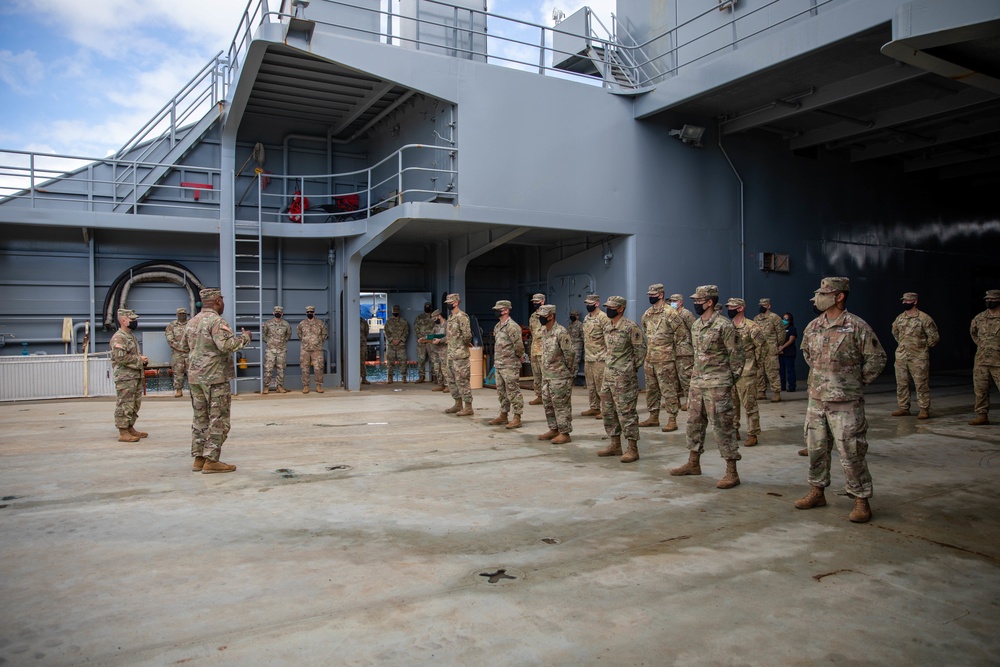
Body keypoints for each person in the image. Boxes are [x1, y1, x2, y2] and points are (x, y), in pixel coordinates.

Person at [795, 277, 886, 523]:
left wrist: (855, 382)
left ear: (839, 296)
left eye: (824, 293)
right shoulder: (813, 326)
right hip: (816, 400)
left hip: (846, 402)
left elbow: (877, 359)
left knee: (851, 451)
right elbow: (806, 353)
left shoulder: (857, 326)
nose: (818, 298)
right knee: (816, 448)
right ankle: (817, 491)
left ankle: (861, 500)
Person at [670, 285, 745, 489]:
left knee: (722, 427)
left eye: (699, 301)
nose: (695, 304)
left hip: (717, 385)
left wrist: (727, 381)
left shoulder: (724, 325)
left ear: (709, 302)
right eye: (694, 300)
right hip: (697, 383)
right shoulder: (696, 325)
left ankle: (732, 471)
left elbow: (737, 356)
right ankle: (693, 463)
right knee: (693, 423)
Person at [184, 288, 251, 474]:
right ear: (218, 301)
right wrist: (245, 338)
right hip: (215, 378)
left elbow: (183, 346)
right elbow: (226, 345)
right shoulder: (216, 321)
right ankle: (212, 460)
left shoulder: (192, 322)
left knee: (200, 418)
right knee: (219, 419)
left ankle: (199, 458)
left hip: (195, 378)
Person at [597, 296, 647, 463]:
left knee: (626, 413)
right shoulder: (607, 327)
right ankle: (615, 444)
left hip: (624, 379)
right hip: (608, 376)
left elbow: (640, 351)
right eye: (607, 306)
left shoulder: (630, 327)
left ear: (620, 308)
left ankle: (632, 448)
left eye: (612, 306)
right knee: (608, 411)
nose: (608, 309)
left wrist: (629, 369)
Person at [640, 283, 685, 432]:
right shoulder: (647, 313)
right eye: (649, 295)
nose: (650, 297)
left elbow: (681, 334)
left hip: (665, 359)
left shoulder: (671, 313)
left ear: (661, 295)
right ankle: (653, 417)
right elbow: (646, 331)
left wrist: (670, 351)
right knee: (652, 390)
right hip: (650, 358)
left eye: (653, 295)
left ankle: (672, 419)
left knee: (668, 389)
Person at [891, 292, 940, 419]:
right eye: (904, 301)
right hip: (902, 356)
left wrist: (921, 348)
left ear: (915, 302)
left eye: (907, 301)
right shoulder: (900, 318)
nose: (904, 303)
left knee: (921, 383)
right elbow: (895, 333)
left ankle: (923, 409)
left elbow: (934, 337)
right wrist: (903, 345)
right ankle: (903, 407)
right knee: (901, 383)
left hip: (919, 357)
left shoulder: (924, 318)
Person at [727, 297, 766, 447]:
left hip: (747, 371)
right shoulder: (728, 326)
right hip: (731, 371)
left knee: (749, 404)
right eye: (728, 307)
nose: (729, 309)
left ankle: (752, 433)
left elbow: (762, 347)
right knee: (732, 404)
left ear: (741, 308)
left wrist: (755, 365)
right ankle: (734, 429)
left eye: (732, 307)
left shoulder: (752, 327)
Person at [537, 304, 576, 444]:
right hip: (547, 375)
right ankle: (553, 429)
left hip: (559, 376)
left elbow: (570, 354)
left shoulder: (561, 332)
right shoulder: (544, 331)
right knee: (548, 404)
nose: (540, 319)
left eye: (542, 316)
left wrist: (567, 371)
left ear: (551, 316)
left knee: (561, 405)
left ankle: (565, 433)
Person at [110, 308, 148, 443]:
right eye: (132, 320)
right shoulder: (119, 337)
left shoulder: (130, 336)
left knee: (134, 403)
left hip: (134, 376)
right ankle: (123, 431)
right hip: (125, 377)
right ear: (124, 321)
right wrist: (139, 360)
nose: (135, 322)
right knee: (124, 403)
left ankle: (130, 427)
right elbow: (121, 358)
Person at [489, 300, 525, 428]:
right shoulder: (498, 326)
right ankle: (503, 414)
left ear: (505, 310)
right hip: (499, 364)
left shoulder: (512, 326)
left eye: (498, 309)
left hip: (510, 364)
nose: (496, 311)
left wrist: (520, 357)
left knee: (513, 391)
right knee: (501, 391)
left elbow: (519, 345)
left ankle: (517, 417)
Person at [969, 289, 1000, 426]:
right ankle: (982, 415)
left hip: (998, 361)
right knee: (980, 389)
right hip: (981, 360)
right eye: (987, 299)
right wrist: (983, 345)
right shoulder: (979, 317)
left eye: (992, 299)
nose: (989, 301)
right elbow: (974, 334)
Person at [443, 293, 474, 416]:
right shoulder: (451, 317)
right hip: (451, 354)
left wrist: (466, 344)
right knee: (451, 380)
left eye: (450, 302)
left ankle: (468, 407)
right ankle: (457, 404)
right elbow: (451, 336)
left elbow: (467, 335)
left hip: (460, 355)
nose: (448, 305)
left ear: (456, 302)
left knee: (462, 381)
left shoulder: (462, 316)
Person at [581, 294, 609, 418]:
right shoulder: (587, 318)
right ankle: (594, 407)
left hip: (600, 357)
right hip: (589, 357)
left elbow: (608, 338)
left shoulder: (603, 318)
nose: (587, 305)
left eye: (589, 303)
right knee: (591, 385)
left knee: (601, 385)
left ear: (596, 303)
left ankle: (605, 409)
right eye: (586, 304)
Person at [754, 298, 785, 402]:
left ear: (769, 306)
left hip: (771, 348)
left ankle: (776, 393)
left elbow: (781, 333)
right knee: (759, 371)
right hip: (759, 349)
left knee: (772, 371)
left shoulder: (775, 318)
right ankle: (761, 392)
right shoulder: (756, 318)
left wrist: (778, 345)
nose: (761, 307)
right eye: (760, 305)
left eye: (764, 305)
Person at [669, 293, 695, 411]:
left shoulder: (686, 314)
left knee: (686, 377)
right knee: (674, 379)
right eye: (671, 301)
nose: (672, 303)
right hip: (673, 350)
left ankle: (690, 401)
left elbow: (693, 329)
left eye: (674, 301)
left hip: (685, 350)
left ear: (680, 302)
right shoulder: (670, 314)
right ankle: (675, 402)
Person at [261, 305, 291, 394]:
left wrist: (282, 342)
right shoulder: (268, 323)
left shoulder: (286, 324)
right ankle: (266, 386)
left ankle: (280, 386)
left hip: (281, 350)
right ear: (273, 313)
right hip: (270, 350)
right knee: (268, 368)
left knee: (281, 369)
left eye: (279, 312)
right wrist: (269, 342)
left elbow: (288, 335)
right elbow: (263, 335)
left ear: (282, 314)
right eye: (276, 312)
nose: (278, 314)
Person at [297, 306, 327, 393]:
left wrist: (318, 342)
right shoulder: (302, 324)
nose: (309, 314)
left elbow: (324, 334)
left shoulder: (320, 323)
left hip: (317, 349)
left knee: (318, 368)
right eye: (308, 312)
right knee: (304, 368)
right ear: (306, 313)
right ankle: (306, 386)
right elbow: (299, 333)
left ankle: (318, 385)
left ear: (314, 313)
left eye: (311, 312)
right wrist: (305, 341)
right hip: (305, 349)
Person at [164, 307, 188, 398]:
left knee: (192, 372)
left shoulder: (191, 324)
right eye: (180, 314)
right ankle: (178, 390)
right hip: (177, 353)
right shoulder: (171, 326)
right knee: (178, 372)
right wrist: (181, 347)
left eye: (183, 314)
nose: (182, 315)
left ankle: (194, 391)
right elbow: (170, 339)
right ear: (177, 315)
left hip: (190, 353)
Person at [528, 293, 547, 405]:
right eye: (534, 302)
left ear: (542, 301)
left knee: (545, 375)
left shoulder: (548, 315)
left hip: (544, 350)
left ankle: (547, 396)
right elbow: (532, 332)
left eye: (537, 301)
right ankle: (539, 395)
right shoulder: (533, 316)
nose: (535, 303)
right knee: (536, 374)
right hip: (535, 349)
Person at [384, 304, 410, 383]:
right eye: (394, 311)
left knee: (403, 361)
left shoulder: (404, 321)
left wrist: (400, 340)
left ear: (398, 312)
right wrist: (392, 340)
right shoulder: (388, 321)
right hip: (391, 345)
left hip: (401, 345)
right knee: (390, 362)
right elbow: (386, 332)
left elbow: (406, 332)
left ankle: (404, 377)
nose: (395, 312)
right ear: (392, 312)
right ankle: (390, 378)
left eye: (396, 311)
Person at [424, 309, 448, 391]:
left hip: (444, 350)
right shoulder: (436, 326)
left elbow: (449, 337)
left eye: (435, 319)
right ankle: (440, 384)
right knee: (437, 368)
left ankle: (448, 385)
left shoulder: (447, 325)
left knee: (445, 368)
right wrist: (424, 339)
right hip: (435, 350)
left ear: (439, 316)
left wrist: (440, 340)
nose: (434, 321)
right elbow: (432, 336)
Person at [413, 302, 436, 383]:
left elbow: (436, 330)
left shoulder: (434, 318)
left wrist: (430, 339)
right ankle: (421, 376)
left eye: (429, 307)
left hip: (431, 342)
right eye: (426, 307)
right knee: (421, 360)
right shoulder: (419, 318)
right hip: (421, 342)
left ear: (431, 308)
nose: (427, 308)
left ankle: (435, 377)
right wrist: (421, 338)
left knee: (433, 360)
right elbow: (416, 329)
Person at [778, 312, 797, 392]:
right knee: (781, 371)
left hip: (789, 353)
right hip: (780, 353)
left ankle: (791, 387)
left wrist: (782, 347)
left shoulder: (792, 329)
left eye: (787, 319)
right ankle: (782, 386)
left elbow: (791, 340)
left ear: (790, 320)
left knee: (790, 370)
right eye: (784, 318)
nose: (785, 320)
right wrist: (779, 349)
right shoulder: (780, 329)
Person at [566, 309, 584, 378]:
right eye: (571, 315)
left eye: (573, 315)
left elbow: (583, 336)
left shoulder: (580, 325)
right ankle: (569, 377)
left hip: (577, 346)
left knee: (575, 362)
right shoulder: (570, 325)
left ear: (577, 316)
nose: (572, 317)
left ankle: (573, 378)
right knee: (569, 361)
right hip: (570, 346)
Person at [360, 315, 371, 385]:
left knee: (362, 361)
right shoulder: (349, 320)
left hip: (362, 344)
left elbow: (366, 332)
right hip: (351, 344)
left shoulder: (363, 321)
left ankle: (363, 378)